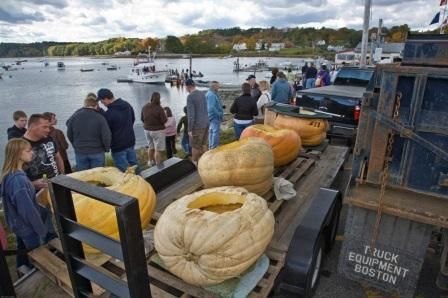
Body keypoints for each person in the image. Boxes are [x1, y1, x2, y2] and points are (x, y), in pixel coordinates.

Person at [1, 139, 47, 271]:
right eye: (28, 151)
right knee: (36, 254)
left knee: (21, 247)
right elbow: (27, 211)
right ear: (18, 154)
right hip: (27, 227)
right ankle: (34, 274)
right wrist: (41, 230)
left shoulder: (9, 174)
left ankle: (21, 268)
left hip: (17, 224)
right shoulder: (19, 180)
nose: (32, 153)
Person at [66, 94, 111, 170]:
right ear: (96, 105)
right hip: (97, 151)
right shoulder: (100, 118)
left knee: (83, 176)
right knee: (98, 175)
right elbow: (106, 136)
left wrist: (75, 145)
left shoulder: (74, 116)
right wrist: (106, 148)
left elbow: (69, 133)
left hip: (80, 152)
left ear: (85, 104)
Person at [97, 88, 137, 172]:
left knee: (124, 170)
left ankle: (130, 184)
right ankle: (141, 181)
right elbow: (133, 119)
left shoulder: (109, 114)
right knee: (134, 165)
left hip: (118, 146)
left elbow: (107, 132)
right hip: (130, 141)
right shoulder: (127, 105)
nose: (101, 103)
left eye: (101, 101)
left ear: (106, 99)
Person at [185, 79, 209, 163]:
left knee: (195, 146)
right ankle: (206, 162)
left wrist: (189, 129)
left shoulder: (190, 97)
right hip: (206, 123)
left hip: (197, 126)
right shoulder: (202, 94)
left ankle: (194, 163)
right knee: (204, 144)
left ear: (188, 87)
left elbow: (191, 115)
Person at [141, 92, 167, 166]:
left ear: (151, 98)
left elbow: (142, 118)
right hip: (158, 131)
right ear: (159, 99)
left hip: (147, 130)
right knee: (157, 150)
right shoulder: (159, 108)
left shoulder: (145, 106)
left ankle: (150, 162)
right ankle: (158, 165)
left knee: (150, 147)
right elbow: (164, 121)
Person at [206, 81, 224, 149]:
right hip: (214, 117)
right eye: (217, 86)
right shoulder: (211, 95)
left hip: (211, 116)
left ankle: (211, 147)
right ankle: (214, 148)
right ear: (214, 87)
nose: (219, 87)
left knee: (211, 132)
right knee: (215, 133)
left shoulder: (211, 94)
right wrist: (219, 114)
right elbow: (211, 107)